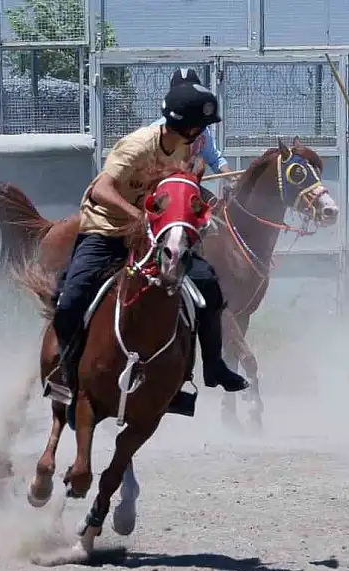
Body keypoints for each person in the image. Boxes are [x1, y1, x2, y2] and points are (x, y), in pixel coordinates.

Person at [50, 81, 249, 423]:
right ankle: (68, 379)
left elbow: (178, 191)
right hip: (107, 231)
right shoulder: (138, 146)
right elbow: (101, 189)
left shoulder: (184, 152)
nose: (203, 133)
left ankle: (212, 367)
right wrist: (139, 217)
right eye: (201, 127)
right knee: (70, 301)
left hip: (153, 237)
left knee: (208, 288)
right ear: (188, 127)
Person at [151, 68, 234, 203]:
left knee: (216, 212)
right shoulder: (156, 131)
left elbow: (214, 159)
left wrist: (233, 178)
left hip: (189, 188)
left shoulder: (201, 131)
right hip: (160, 190)